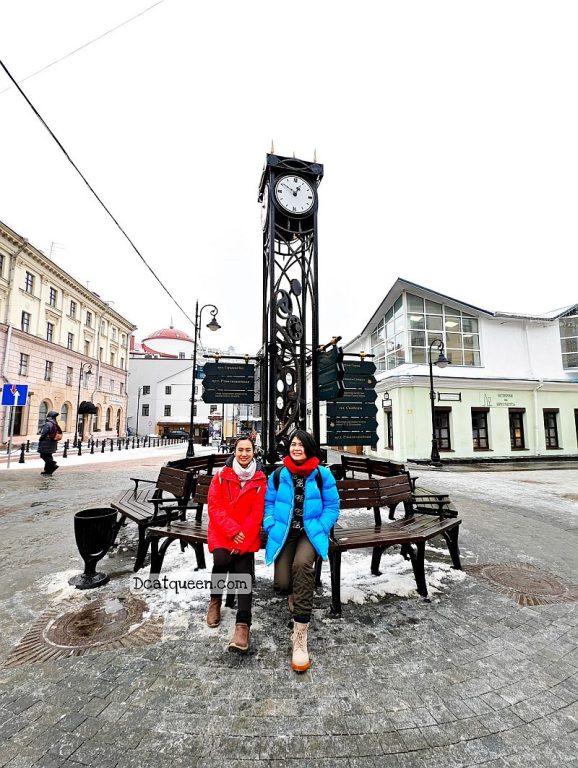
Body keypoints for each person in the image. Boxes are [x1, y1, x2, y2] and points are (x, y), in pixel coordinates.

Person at [264, 430, 340, 673]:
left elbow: (332, 505)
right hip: (286, 533)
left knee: (302, 566)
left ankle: (300, 634)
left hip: (309, 532)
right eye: (293, 444)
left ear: (309, 448)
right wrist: (270, 523)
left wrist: (321, 525)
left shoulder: (321, 475)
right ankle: (294, 592)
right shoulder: (278, 474)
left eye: (301, 445)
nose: (296, 448)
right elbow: (268, 503)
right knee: (283, 584)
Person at [206, 435, 266, 653]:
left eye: (248, 450)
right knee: (221, 559)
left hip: (246, 534)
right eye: (240, 450)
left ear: (253, 452)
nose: (243, 454)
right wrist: (232, 532)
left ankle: (243, 625)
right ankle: (215, 601)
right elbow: (215, 507)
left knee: (243, 570)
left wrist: (243, 536)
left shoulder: (259, 479)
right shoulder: (221, 476)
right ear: (234, 451)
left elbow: (257, 513)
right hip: (223, 530)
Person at [37, 410, 61, 476]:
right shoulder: (55, 423)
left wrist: (41, 438)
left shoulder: (48, 424)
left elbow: (44, 433)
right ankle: (48, 471)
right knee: (48, 455)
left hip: (46, 442)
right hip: (53, 442)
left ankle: (53, 464)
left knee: (43, 455)